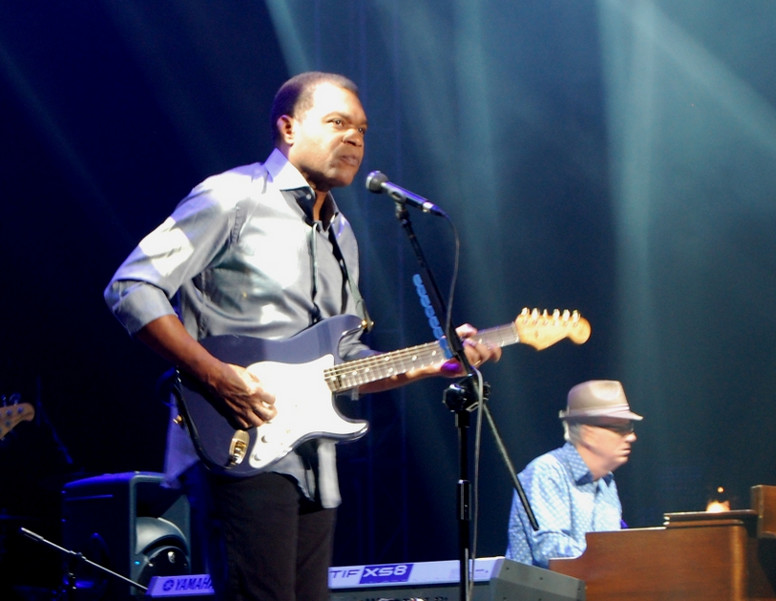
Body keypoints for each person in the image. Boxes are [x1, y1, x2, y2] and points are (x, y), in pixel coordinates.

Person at [104, 71, 500, 601]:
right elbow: (132, 286)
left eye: (362, 129)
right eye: (337, 122)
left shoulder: (341, 234)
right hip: (236, 442)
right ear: (288, 128)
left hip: (314, 461)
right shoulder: (232, 196)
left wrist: (437, 361)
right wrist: (214, 374)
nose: (355, 138)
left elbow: (348, 360)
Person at [505, 380, 641, 568]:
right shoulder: (546, 471)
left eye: (631, 428)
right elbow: (550, 550)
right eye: (621, 429)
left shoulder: (606, 482)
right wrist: (612, 565)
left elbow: (610, 548)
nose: (632, 437)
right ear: (588, 432)